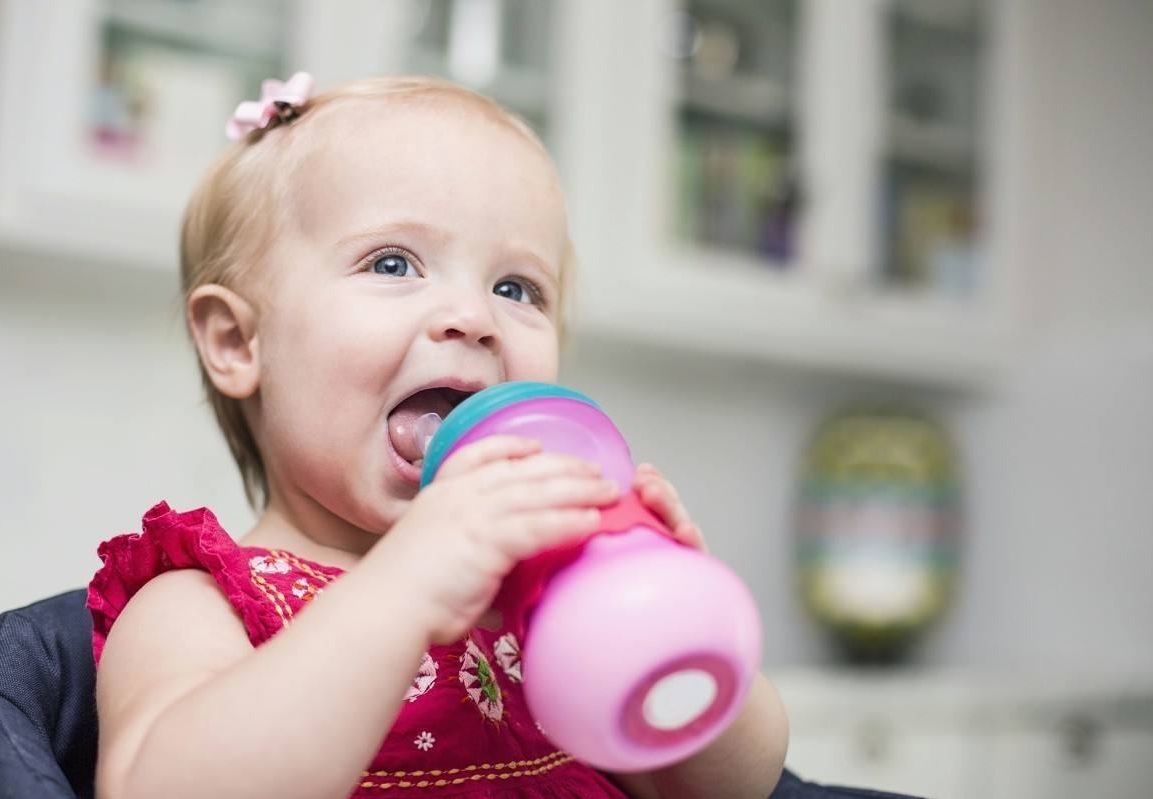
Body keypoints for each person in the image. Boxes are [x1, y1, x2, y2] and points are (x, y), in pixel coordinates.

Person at [88, 72, 788, 799]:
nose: (474, 316)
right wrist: (408, 581)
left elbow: (728, 789)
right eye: (393, 263)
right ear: (238, 341)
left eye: (516, 288)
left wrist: (672, 613)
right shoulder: (199, 604)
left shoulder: (546, 606)